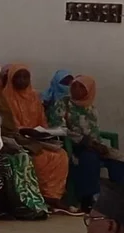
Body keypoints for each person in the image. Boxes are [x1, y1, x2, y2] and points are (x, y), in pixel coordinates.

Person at [0, 59, 50, 220]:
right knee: (8, 161)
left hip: (6, 142)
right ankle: (13, 206)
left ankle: (32, 204)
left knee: (23, 157)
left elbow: (10, 128)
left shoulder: (2, 101)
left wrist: (15, 140)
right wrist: (2, 142)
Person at [2, 63, 76, 214]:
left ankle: (54, 196)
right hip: (19, 138)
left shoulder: (34, 96)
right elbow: (10, 125)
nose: (22, 80)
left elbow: (42, 121)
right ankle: (41, 196)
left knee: (60, 156)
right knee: (39, 158)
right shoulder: (5, 98)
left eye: (25, 77)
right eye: (18, 77)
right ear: (11, 79)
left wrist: (44, 132)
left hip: (37, 138)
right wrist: (24, 130)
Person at [50, 75, 124, 211]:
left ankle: (118, 197)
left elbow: (94, 132)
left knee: (118, 159)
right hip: (73, 145)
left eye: (81, 87)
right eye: (74, 86)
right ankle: (88, 200)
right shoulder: (63, 104)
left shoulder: (91, 109)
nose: (76, 89)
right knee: (89, 159)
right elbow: (59, 129)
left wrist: (98, 145)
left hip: (93, 145)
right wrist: (83, 141)